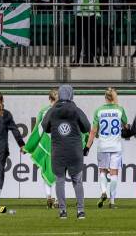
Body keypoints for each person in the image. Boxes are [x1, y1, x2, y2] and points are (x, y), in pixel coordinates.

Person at [41, 85, 91, 219]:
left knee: (59, 180)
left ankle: (62, 211)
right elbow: (87, 127)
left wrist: (54, 128)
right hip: (74, 150)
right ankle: (80, 211)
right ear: (70, 95)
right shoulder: (76, 110)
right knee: (77, 181)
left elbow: (45, 127)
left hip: (58, 150)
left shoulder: (52, 111)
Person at [85, 88, 128, 209]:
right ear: (114, 97)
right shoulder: (120, 110)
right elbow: (126, 125)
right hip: (116, 146)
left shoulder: (99, 111)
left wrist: (87, 146)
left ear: (105, 98)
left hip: (103, 146)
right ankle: (112, 201)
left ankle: (103, 191)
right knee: (114, 173)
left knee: (102, 171)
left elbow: (93, 131)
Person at [25, 89, 59, 209]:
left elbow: (37, 131)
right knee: (60, 173)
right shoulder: (64, 111)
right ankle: (58, 199)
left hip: (46, 145)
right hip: (60, 145)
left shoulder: (44, 111)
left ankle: (49, 196)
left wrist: (28, 147)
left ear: (49, 99)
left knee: (45, 170)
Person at [73, 0, 106, 65]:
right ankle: (76, 59)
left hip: (91, 16)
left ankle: (90, 59)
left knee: (91, 39)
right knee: (78, 39)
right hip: (80, 16)